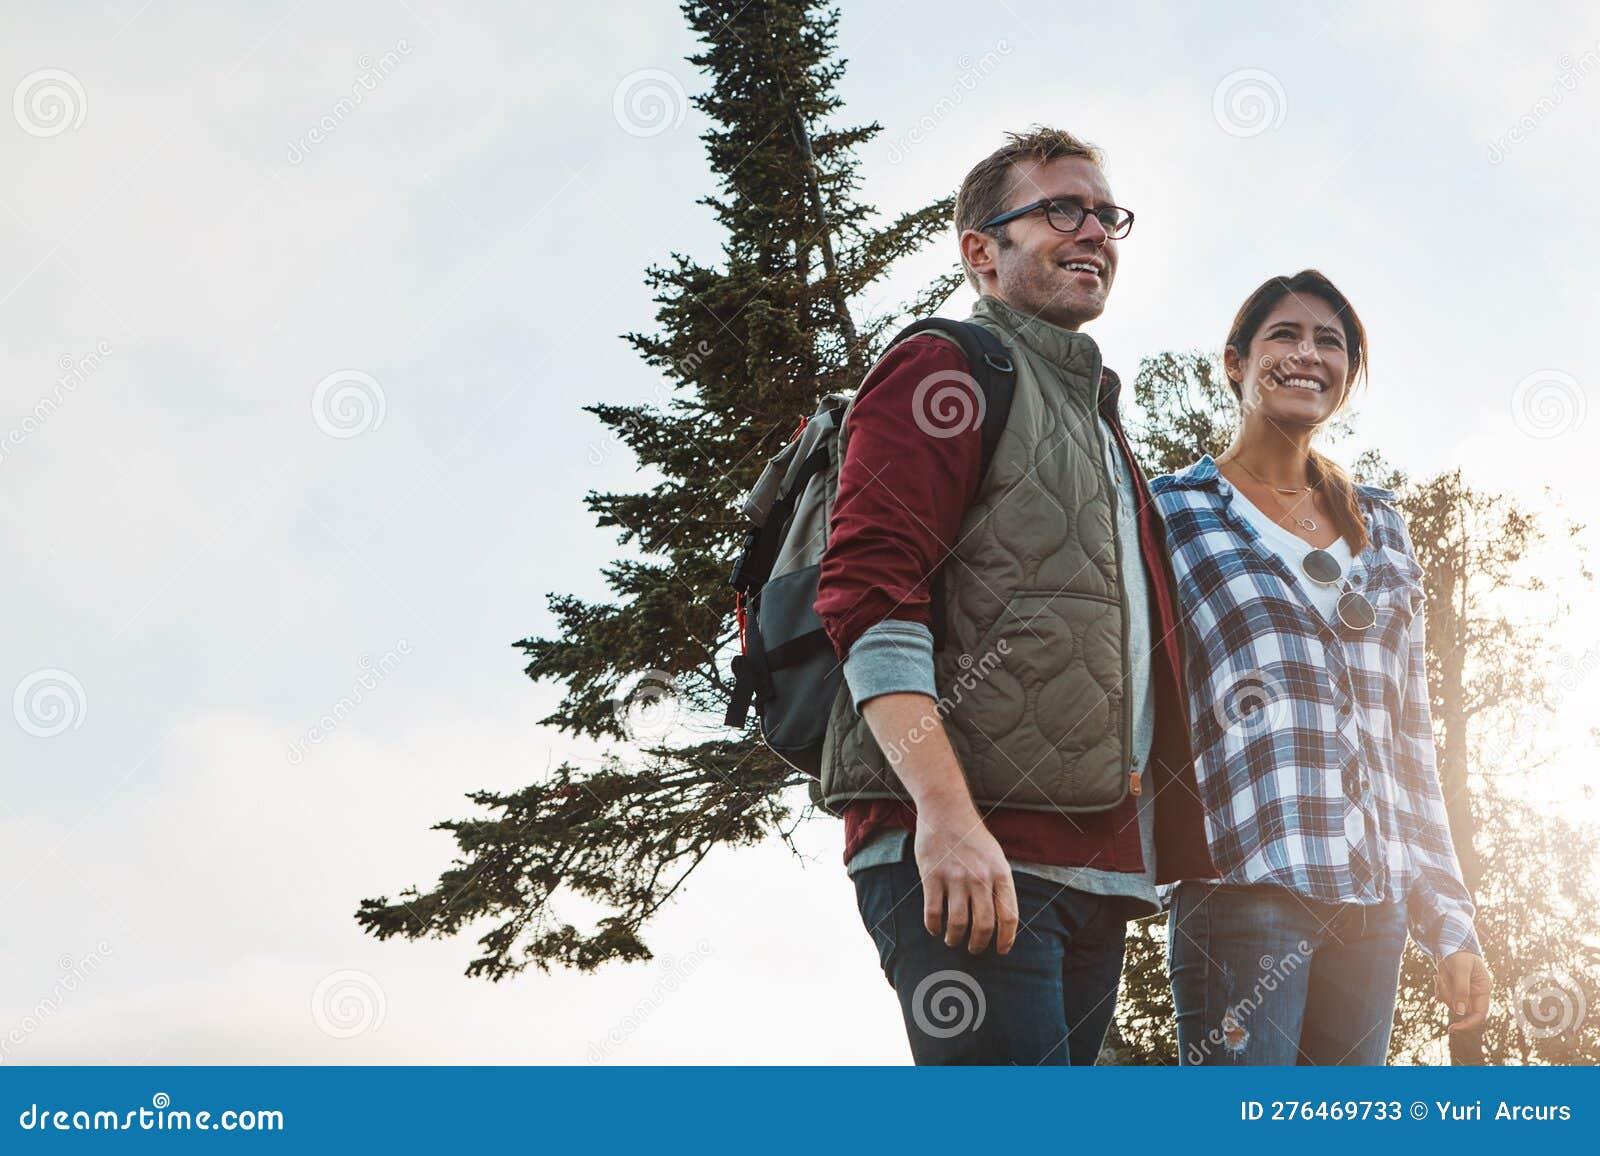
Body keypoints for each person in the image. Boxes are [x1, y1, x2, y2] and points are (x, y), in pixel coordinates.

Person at [813, 127, 1214, 1065]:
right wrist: (945, 816)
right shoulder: (946, 367)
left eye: (1107, 215)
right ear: (981, 252)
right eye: (1061, 209)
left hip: (1093, 874)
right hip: (972, 855)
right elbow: (869, 598)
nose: (1095, 231)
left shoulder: (1099, 423)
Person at [1149, 269, 1493, 1065]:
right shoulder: (1172, 511)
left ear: (1348, 373)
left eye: (1330, 342)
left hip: (1375, 907)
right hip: (1241, 888)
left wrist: (1449, 918)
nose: (1308, 354)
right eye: (1285, 335)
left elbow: (1409, 738)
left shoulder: (1382, 525)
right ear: (1235, 362)